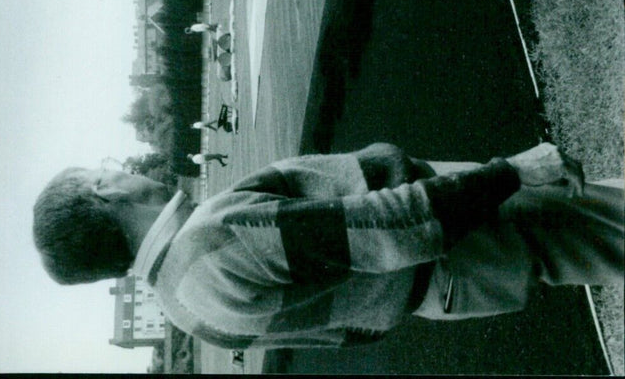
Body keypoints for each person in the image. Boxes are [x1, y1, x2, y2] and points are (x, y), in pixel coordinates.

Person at [32, 141, 623, 351]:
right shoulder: (210, 242)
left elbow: (346, 332)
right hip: (456, 238)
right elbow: (387, 227)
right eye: (105, 167)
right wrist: (510, 172)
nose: (122, 166)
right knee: (612, 224)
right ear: (104, 191)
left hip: (442, 286)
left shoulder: (181, 308)